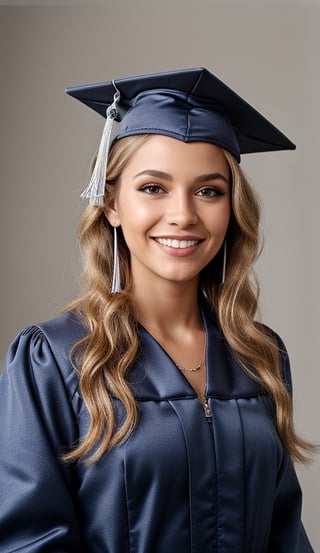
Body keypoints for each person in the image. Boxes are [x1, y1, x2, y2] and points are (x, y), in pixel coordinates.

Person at [0, 67, 316, 552]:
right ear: (110, 203)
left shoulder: (259, 355)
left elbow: (284, 535)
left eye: (209, 190)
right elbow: (31, 540)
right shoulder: (55, 360)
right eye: (153, 187)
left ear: (232, 209)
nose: (184, 214)